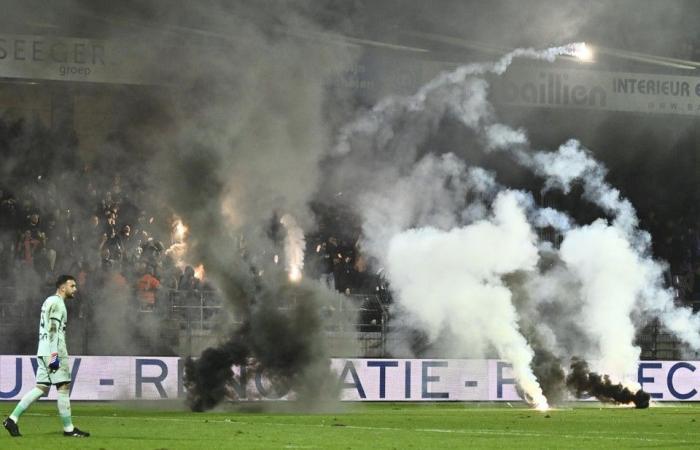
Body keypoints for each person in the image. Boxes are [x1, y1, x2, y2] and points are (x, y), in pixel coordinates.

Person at [3, 275, 90, 438]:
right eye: (72, 286)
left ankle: (12, 419)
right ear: (62, 287)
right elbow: (52, 330)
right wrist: (55, 355)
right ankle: (69, 429)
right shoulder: (58, 303)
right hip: (53, 350)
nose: (75, 289)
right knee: (63, 388)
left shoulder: (48, 301)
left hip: (42, 349)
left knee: (41, 388)